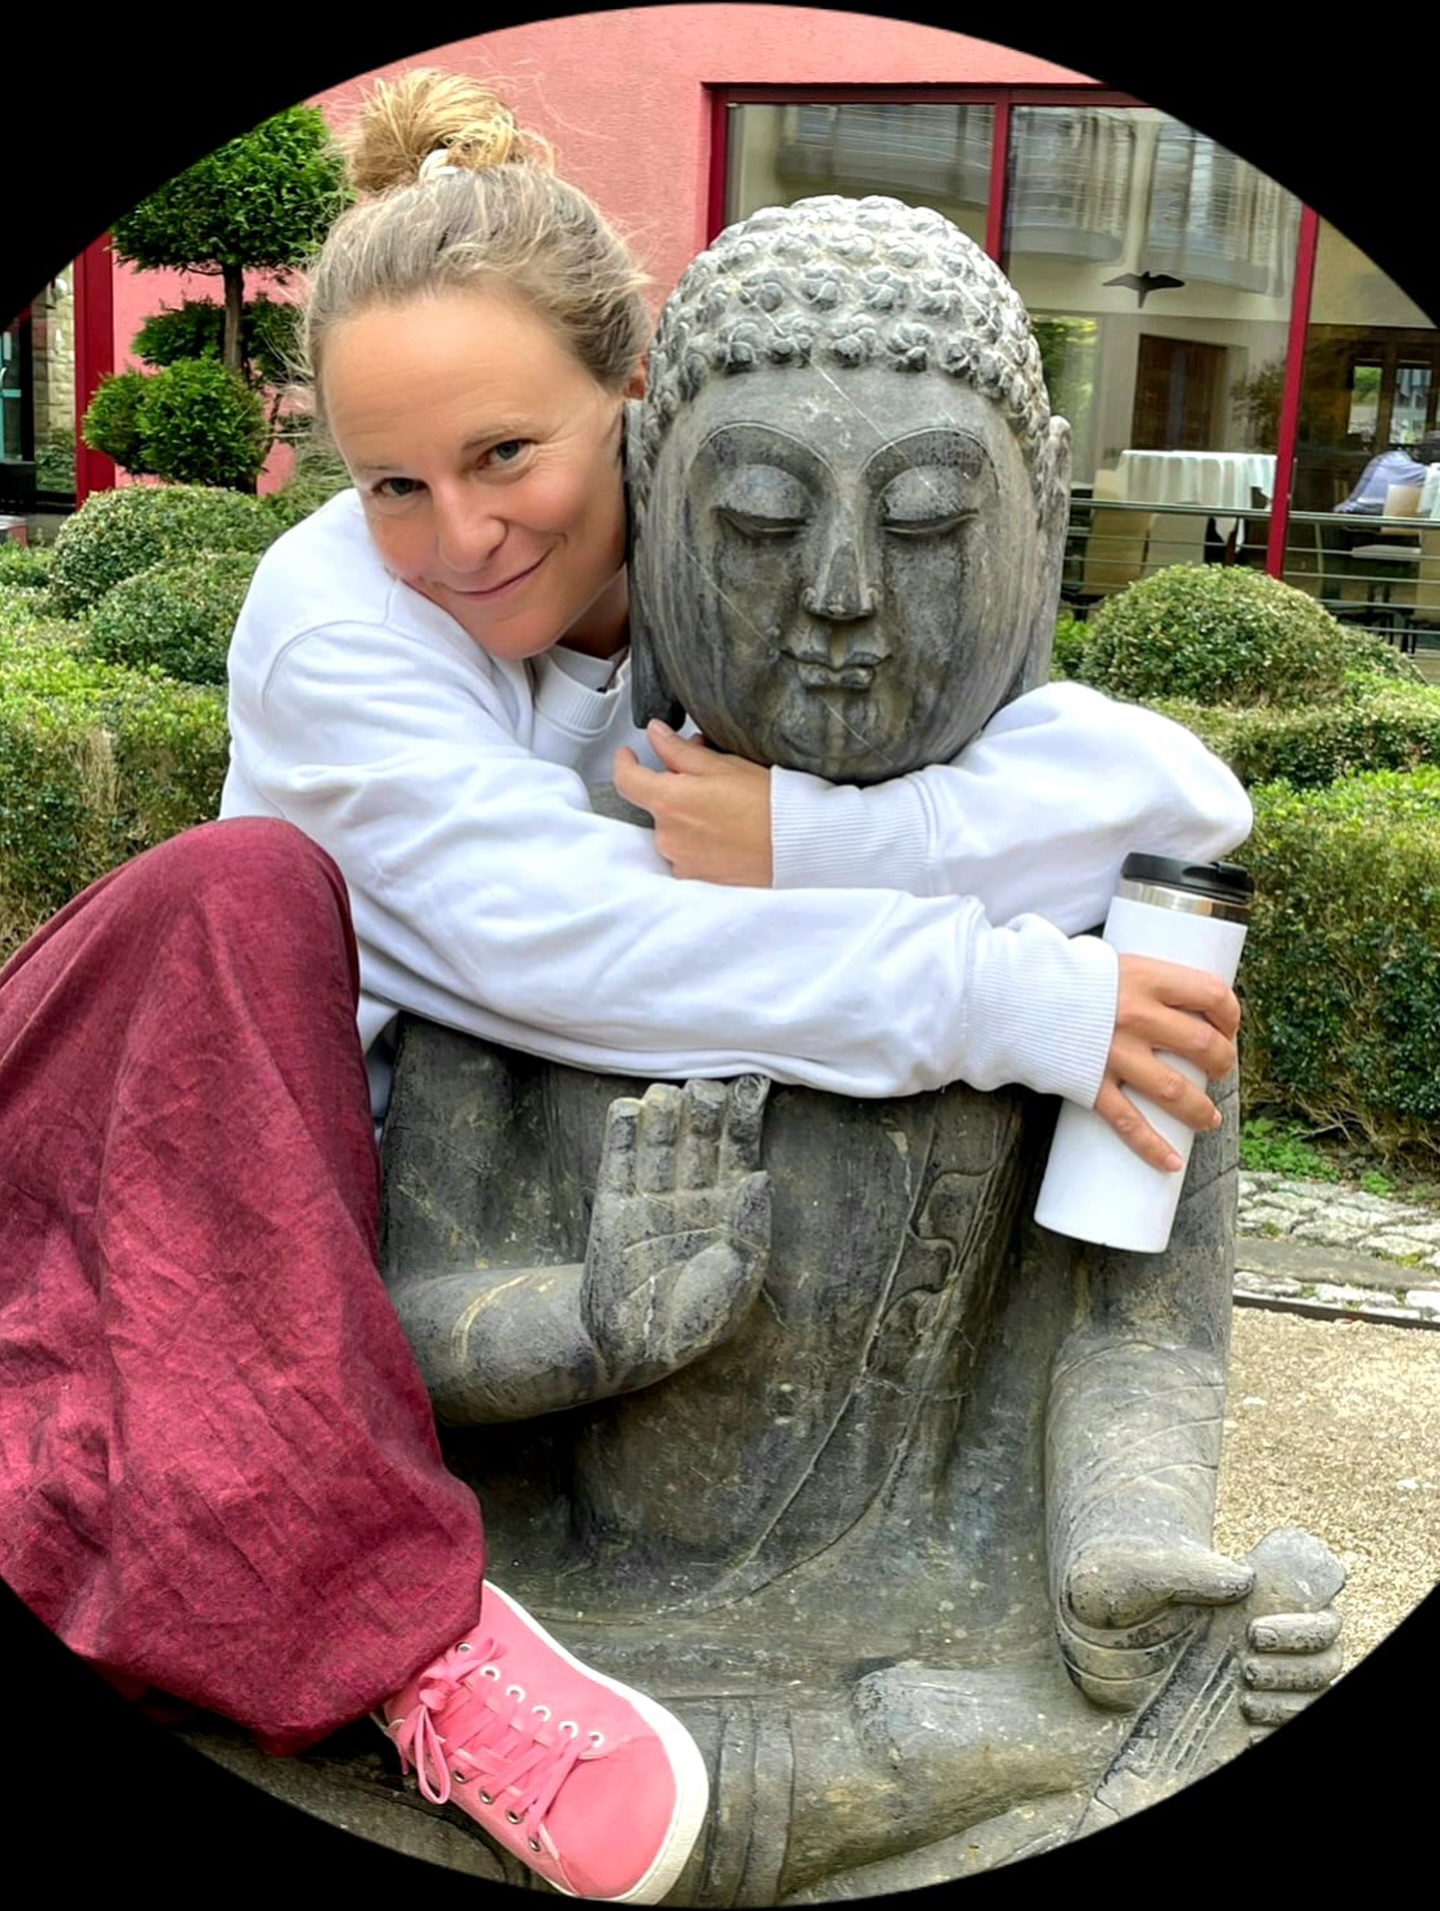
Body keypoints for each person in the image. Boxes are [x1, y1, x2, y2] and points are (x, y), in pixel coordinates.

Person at [0, 67, 1248, 1904]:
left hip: (808, 1551)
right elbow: (558, 951)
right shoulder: (342, 622)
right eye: (395, 485)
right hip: (245, 1201)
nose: (462, 537)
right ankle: (405, 1642)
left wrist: (811, 833)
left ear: (638, 422)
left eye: (511, 455)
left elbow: (1167, 799)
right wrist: (1017, 997)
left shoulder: (721, 579)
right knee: (237, 893)